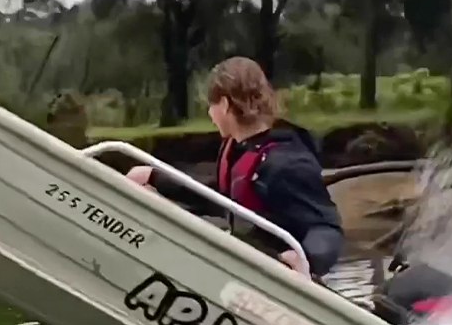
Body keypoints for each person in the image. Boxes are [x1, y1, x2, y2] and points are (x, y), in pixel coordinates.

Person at [126, 56, 345, 278]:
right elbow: (220, 196)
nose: (210, 115)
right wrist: (155, 178)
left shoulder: (285, 163)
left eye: (210, 106)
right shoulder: (241, 149)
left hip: (273, 280)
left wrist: (307, 259)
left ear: (224, 104)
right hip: (245, 269)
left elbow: (325, 227)